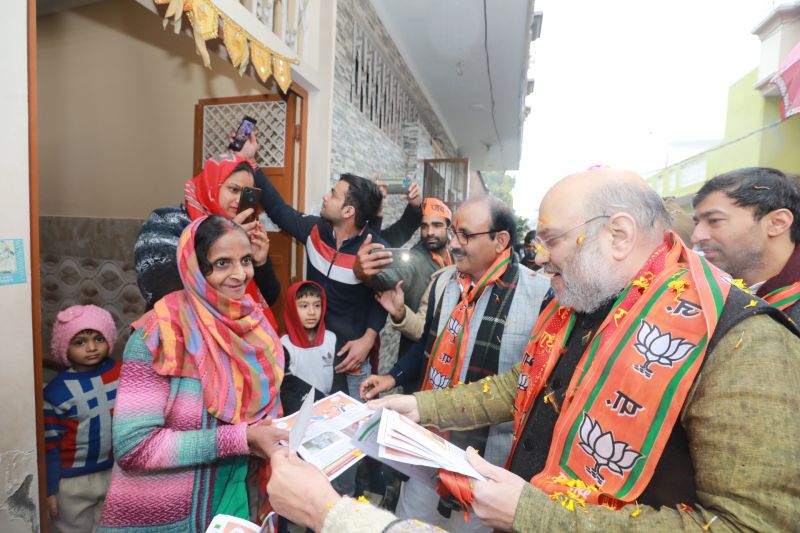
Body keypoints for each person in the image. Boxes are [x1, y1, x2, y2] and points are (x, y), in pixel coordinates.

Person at [268, 168, 800, 532]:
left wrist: (535, 514)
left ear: (617, 235)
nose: (540, 257)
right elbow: (522, 385)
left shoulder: (742, 342)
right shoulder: (590, 301)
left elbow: (751, 523)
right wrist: (419, 406)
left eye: (552, 239)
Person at [360, 196, 551, 532]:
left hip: (487, 465)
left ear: (500, 240)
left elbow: (530, 385)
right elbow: (427, 344)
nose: (454, 243)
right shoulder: (445, 282)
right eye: (454, 234)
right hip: (428, 447)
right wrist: (393, 377)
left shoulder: (541, 295)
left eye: (464, 235)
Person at [98, 216, 288, 532]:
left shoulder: (253, 327)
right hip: (165, 521)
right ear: (195, 268)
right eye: (223, 263)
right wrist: (241, 438)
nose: (240, 275)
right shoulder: (158, 336)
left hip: (235, 501)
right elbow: (135, 447)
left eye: (245, 260)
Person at [251, 157, 386, 398]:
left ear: (348, 211)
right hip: (312, 351)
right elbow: (280, 212)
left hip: (350, 357)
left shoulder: (374, 249)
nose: (326, 196)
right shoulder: (314, 232)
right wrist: (253, 165)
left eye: (333, 194)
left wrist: (368, 339)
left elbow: (385, 299)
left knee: (355, 421)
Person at [134, 152, 280, 322]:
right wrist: (224, 240)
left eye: (247, 194)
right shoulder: (166, 221)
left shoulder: (242, 232)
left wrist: (260, 262)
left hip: (234, 338)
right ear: (211, 185)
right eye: (233, 189)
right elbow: (161, 288)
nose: (239, 200)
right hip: (178, 333)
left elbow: (269, 298)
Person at [355, 198, 455, 391]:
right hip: (416, 359)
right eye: (424, 226)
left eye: (436, 225)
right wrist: (363, 271)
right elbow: (387, 276)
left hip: (445, 358)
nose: (430, 232)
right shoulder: (416, 260)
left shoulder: (452, 258)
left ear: (449, 229)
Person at [44, 304, 120, 533]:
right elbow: (49, 445)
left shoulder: (124, 373)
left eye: (98, 339)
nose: (91, 348)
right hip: (71, 482)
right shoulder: (55, 392)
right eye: (80, 342)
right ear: (64, 347)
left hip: (115, 471)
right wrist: (49, 489)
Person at [692, 167, 800, 321]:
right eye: (696, 223)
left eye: (714, 221)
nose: (696, 237)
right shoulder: (702, 291)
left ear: (777, 223)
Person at [279, 281, 336, 414]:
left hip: (328, 407)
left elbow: (338, 380)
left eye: (317, 305)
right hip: (298, 410)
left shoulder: (331, 339)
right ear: (292, 308)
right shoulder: (283, 345)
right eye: (304, 306)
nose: (312, 312)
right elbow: (286, 389)